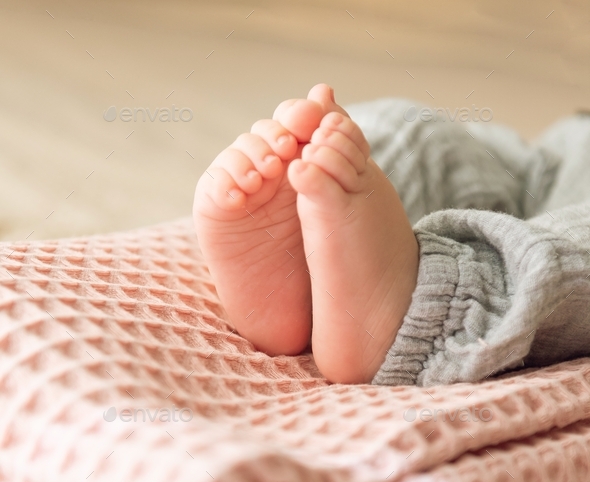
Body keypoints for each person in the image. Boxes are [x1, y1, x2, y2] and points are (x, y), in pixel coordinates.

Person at [194, 84, 590, 386]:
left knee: (567, 234)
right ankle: (316, 230)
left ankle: (414, 296)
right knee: (414, 130)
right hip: (558, 145)